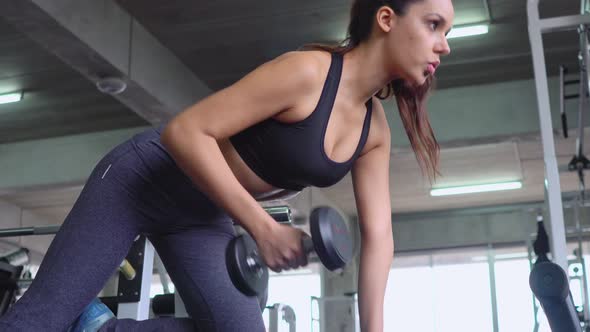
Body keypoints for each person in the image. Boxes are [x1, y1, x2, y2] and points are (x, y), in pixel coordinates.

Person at [0, 0, 453, 331]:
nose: (444, 46)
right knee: (38, 322)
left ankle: (99, 329)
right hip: (140, 182)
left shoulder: (373, 132)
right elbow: (186, 132)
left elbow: (379, 238)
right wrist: (263, 228)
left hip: (202, 213)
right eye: (434, 25)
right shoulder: (308, 73)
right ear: (387, 19)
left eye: (447, 32)